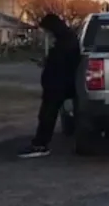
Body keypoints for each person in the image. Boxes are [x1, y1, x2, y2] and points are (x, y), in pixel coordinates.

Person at [18, 14, 81, 158]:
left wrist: (49, 64)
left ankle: (40, 144)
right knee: (46, 115)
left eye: (46, 30)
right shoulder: (66, 40)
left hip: (58, 85)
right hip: (57, 84)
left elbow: (62, 64)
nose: (46, 33)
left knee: (47, 115)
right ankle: (40, 143)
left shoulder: (66, 42)